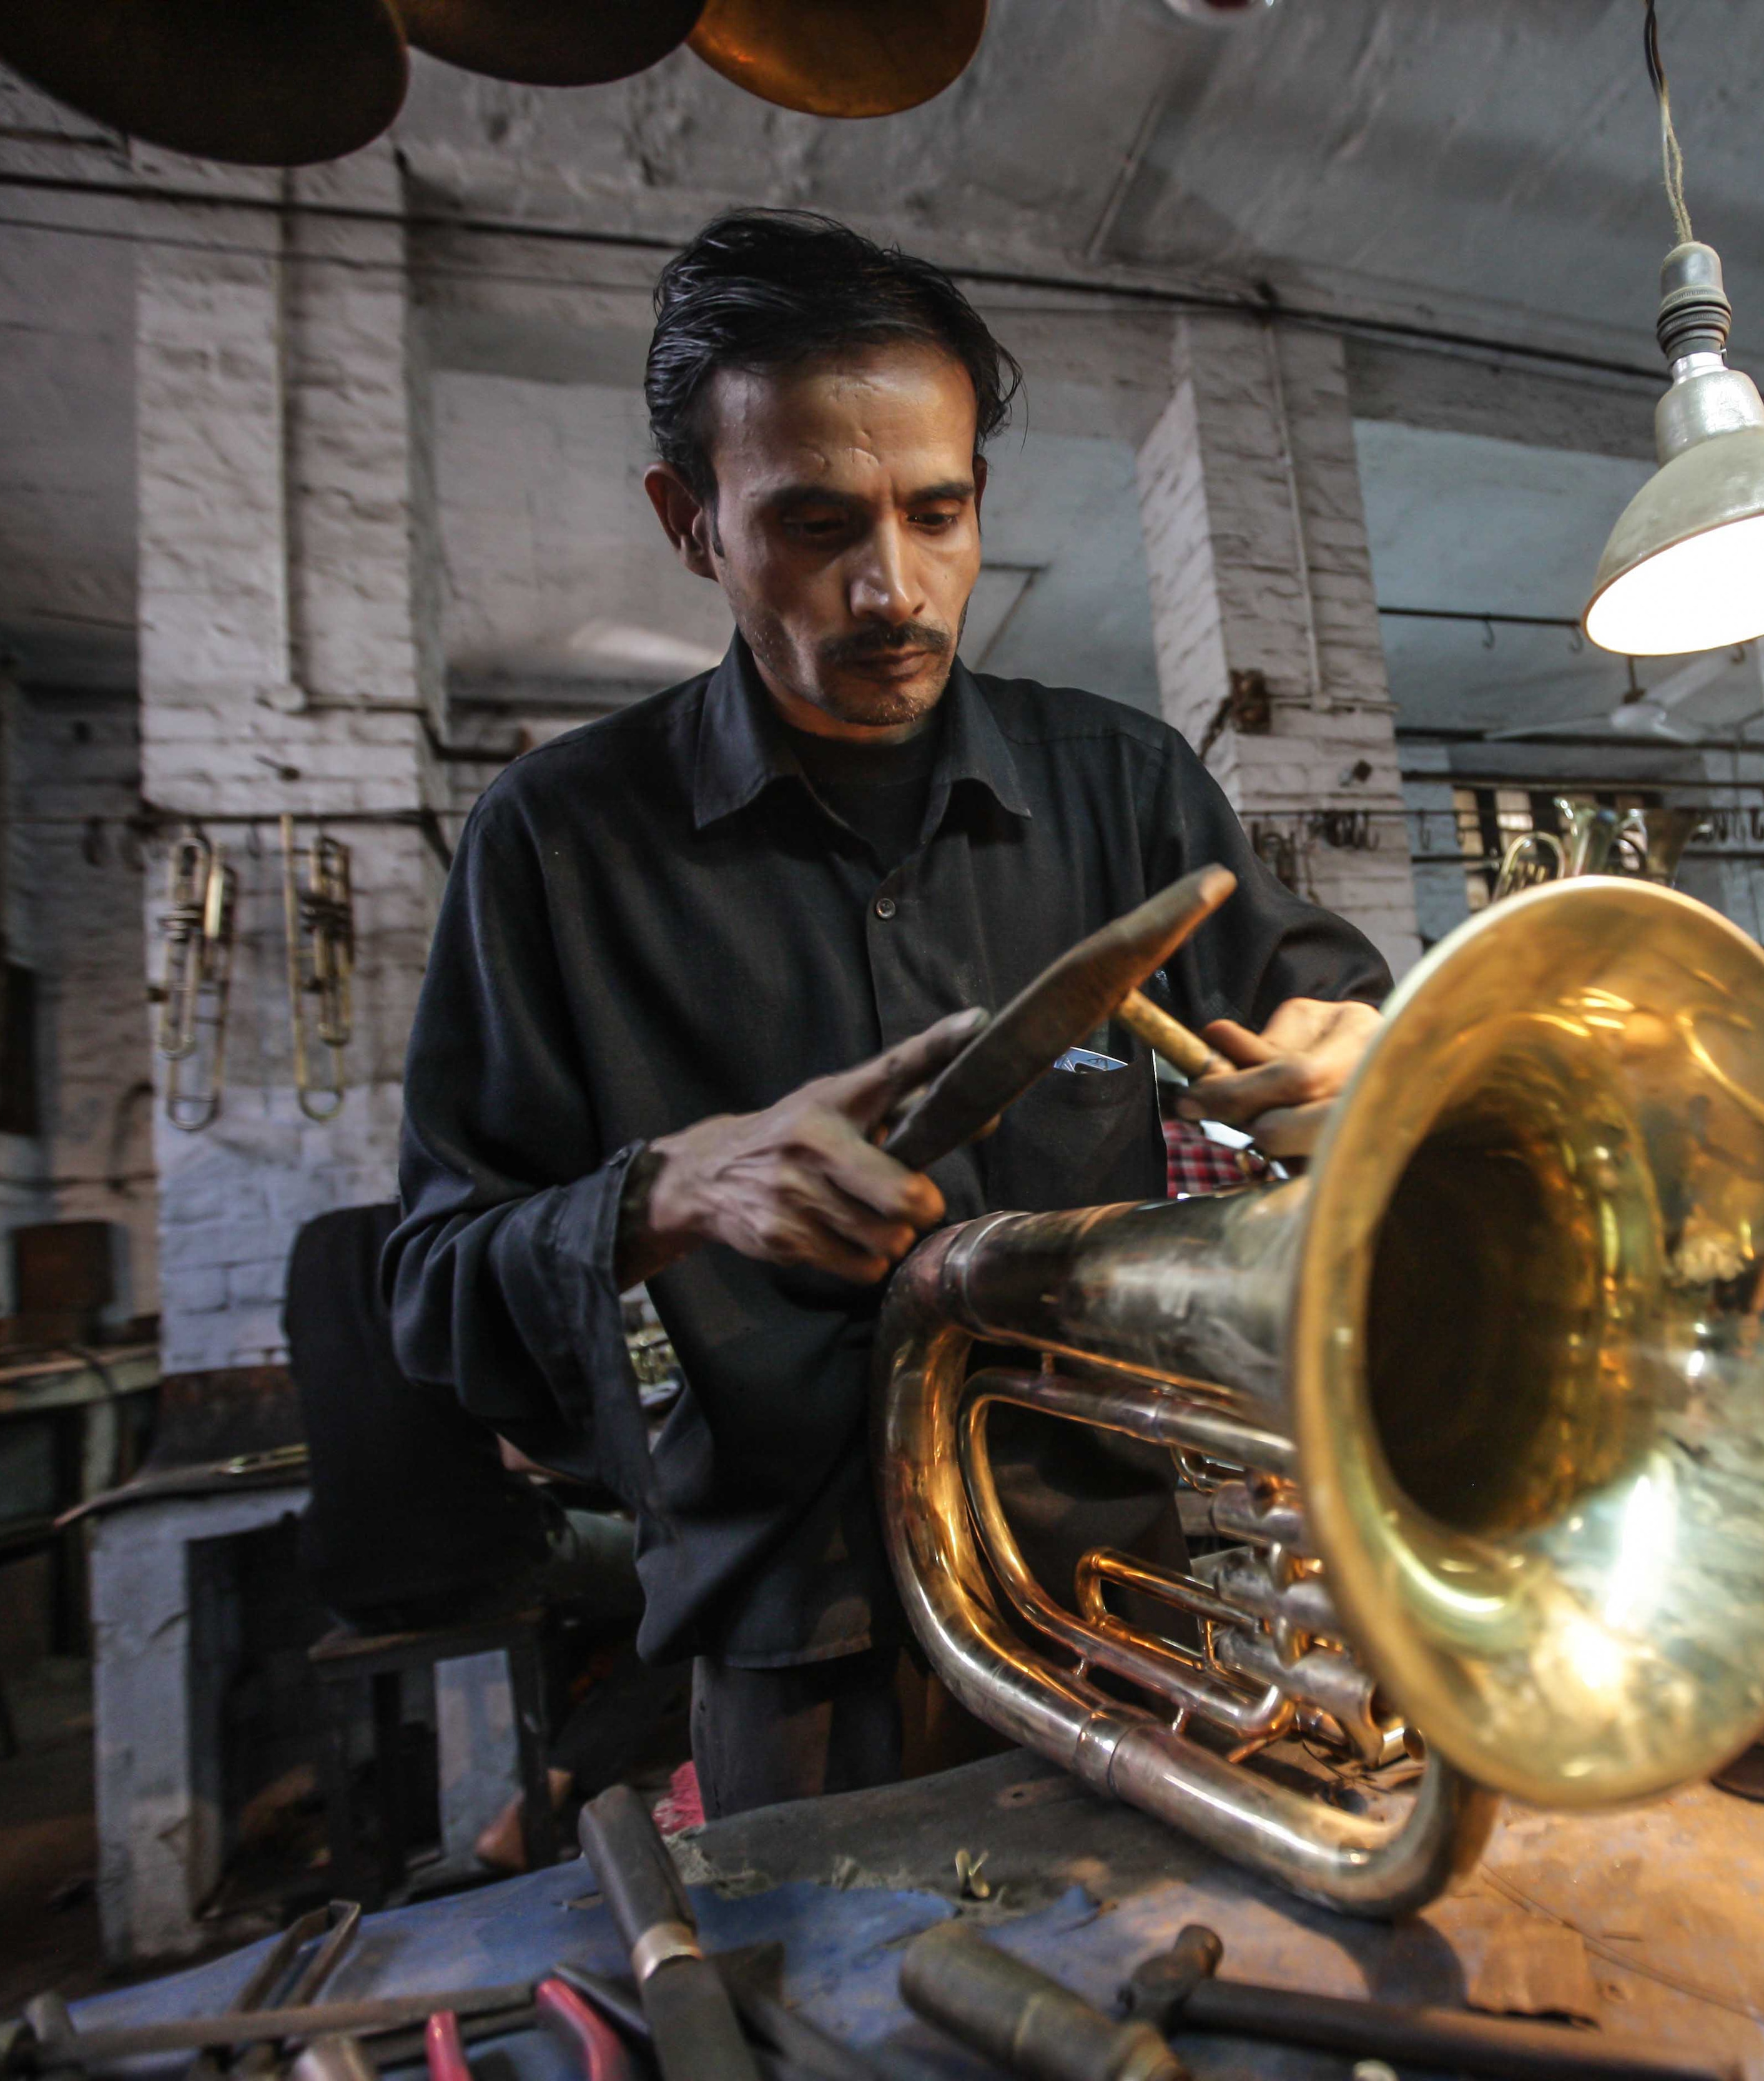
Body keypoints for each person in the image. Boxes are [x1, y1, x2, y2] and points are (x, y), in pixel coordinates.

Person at [388, 210, 1389, 1823]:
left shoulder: (1122, 784)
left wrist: (1357, 1063)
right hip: (801, 1653)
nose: (893, 588)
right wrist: (671, 1192)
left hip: (1139, 1600)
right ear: (689, 519)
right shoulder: (555, 844)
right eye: (812, 522)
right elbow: (432, 1292)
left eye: (940, 511)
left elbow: (1330, 999)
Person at [286, 1201, 677, 1867]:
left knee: (588, 1587)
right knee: (681, 1589)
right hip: (478, 1563)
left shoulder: (319, 1268)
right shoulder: (447, 1265)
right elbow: (520, 1456)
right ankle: (543, 1801)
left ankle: (553, 1778)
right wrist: (625, 1461)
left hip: (341, 1581)